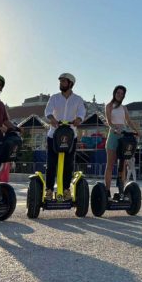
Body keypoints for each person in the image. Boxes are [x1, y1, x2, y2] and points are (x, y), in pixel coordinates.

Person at [44, 73, 86, 201]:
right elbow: (48, 111)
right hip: (53, 136)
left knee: (68, 164)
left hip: (70, 136)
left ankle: (67, 189)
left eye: (63, 81)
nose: (61, 84)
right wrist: (52, 119)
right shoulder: (54, 98)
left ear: (70, 84)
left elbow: (81, 112)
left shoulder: (78, 99)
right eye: (60, 81)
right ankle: (49, 190)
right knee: (51, 164)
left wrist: (78, 119)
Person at [104, 85, 139, 197]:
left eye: (122, 93)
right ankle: (107, 190)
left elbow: (128, 121)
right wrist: (115, 128)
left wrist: (136, 130)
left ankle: (121, 190)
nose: (119, 95)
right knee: (110, 164)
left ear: (123, 95)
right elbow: (109, 121)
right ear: (114, 93)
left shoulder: (124, 108)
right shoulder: (109, 106)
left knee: (123, 164)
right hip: (114, 135)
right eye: (118, 93)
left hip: (123, 136)